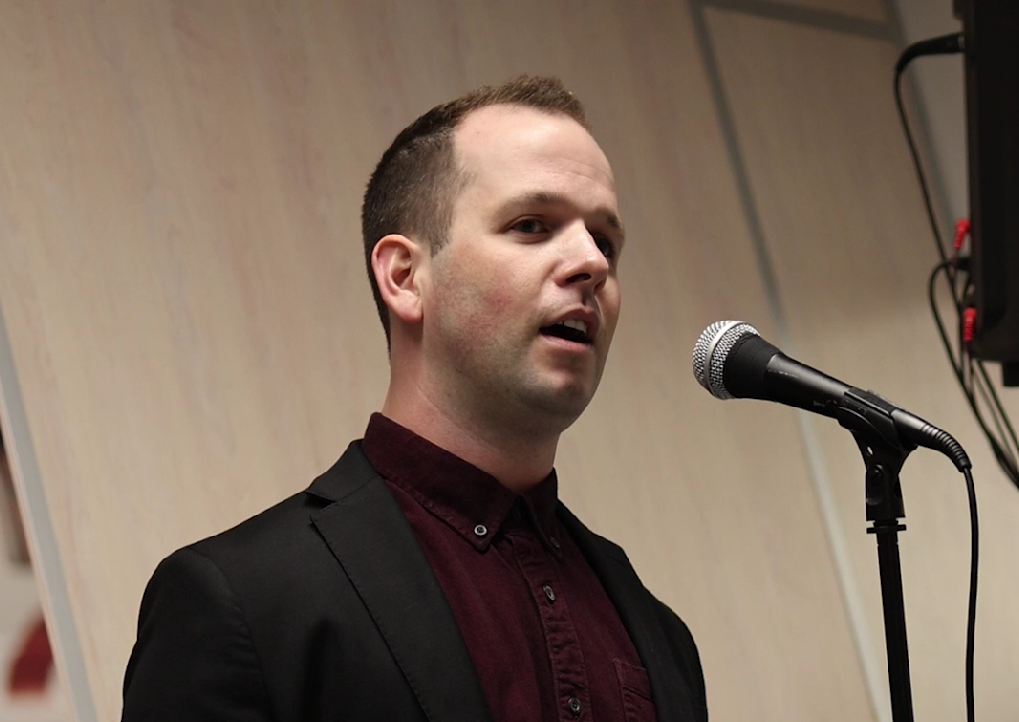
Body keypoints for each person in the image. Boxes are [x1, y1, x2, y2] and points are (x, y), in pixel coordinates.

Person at [122, 76, 708, 721]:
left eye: (605, 242)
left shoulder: (659, 633)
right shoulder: (243, 599)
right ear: (404, 277)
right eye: (532, 225)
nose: (591, 263)